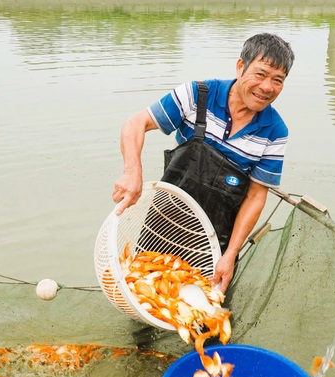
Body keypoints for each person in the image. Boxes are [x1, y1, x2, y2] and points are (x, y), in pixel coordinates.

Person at [112, 33, 294, 294]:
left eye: (277, 80)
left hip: (214, 244)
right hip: (162, 226)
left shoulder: (275, 131)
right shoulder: (197, 95)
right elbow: (135, 124)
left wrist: (230, 254)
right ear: (240, 66)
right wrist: (132, 171)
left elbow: (255, 197)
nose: (267, 87)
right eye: (260, 74)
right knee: (145, 300)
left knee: (204, 319)